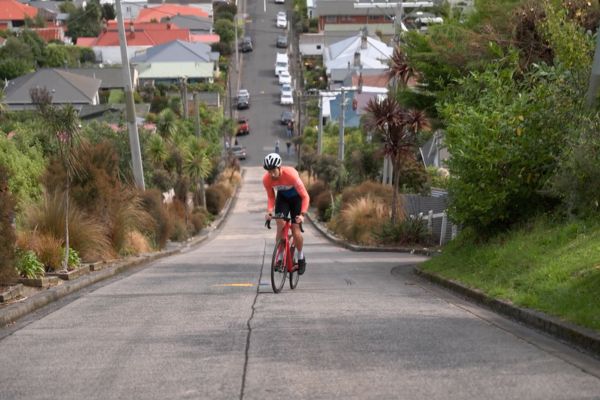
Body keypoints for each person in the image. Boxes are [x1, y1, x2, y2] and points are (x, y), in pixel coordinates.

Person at [262, 153, 310, 274]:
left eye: (273, 171)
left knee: (296, 230)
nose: (272, 174)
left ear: (279, 167)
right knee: (280, 224)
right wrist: (269, 211)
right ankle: (279, 258)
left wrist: (302, 215)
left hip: (296, 200)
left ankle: (300, 257)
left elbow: (305, 196)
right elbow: (271, 197)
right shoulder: (267, 179)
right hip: (282, 199)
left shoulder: (291, 175)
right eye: (269, 171)